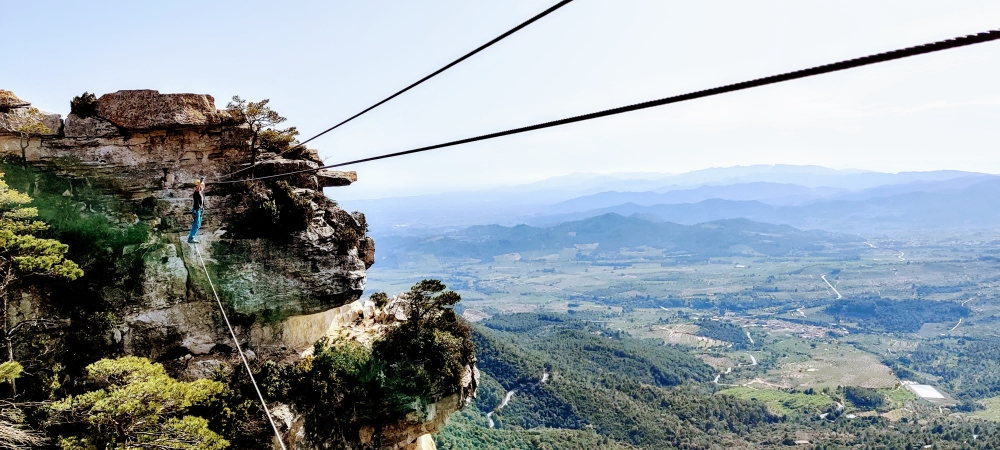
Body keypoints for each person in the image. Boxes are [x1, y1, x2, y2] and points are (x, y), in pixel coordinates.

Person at [188, 178, 206, 243]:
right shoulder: (196, 192)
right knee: (196, 224)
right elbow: (197, 188)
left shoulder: (201, 193)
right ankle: (191, 238)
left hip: (200, 210)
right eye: (202, 185)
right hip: (196, 210)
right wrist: (200, 181)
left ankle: (192, 236)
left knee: (198, 225)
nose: (203, 186)